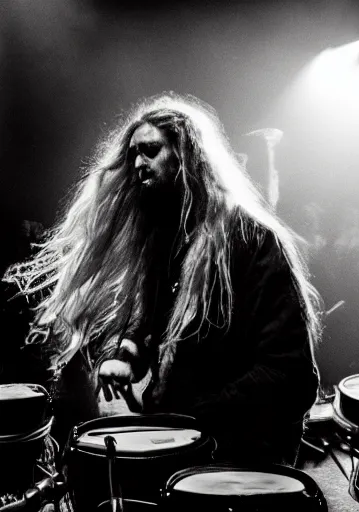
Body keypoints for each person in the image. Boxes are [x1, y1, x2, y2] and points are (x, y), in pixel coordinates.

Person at [2, 92, 322, 466]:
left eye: (150, 150)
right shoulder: (165, 241)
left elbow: (291, 374)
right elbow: (149, 325)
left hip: (243, 453)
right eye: (133, 154)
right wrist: (125, 355)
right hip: (182, 442)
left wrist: (188, 416)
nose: (138, 164)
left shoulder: (252, 240)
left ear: (187, 156)